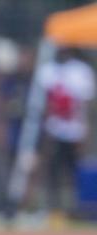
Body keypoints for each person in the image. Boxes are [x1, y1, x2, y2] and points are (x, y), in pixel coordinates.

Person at [37, 47, 95, 219]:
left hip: (74, 130)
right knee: (52, 170)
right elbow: (45, 102)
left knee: (74, 171)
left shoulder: (81, 71)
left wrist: (84, 131)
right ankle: (52, 208)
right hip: (54, 129)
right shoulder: (48, 70)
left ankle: (77, 209)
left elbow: (85, 104)